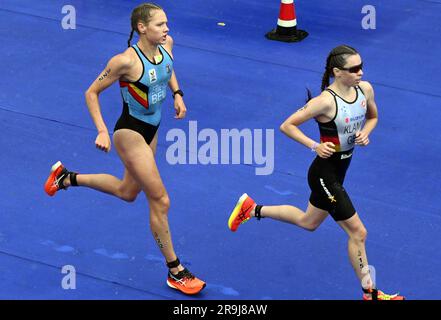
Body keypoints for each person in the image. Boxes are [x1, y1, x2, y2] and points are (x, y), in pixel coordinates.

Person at [44, 3, 205, 295]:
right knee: (160, 199)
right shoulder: (124, 62)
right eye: (159, 25)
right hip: (129, 132)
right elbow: (91, 92)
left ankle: (65, 177)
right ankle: (175, 270)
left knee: (127, 191)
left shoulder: (166, 44)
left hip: (153, 129)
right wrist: (102, 130)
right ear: (142, 28)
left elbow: (167, 66)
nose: (166, 29)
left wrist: (178, 94)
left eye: (166, 23)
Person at [228, 45, 404, 300]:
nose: (360, 72)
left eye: (361, 66)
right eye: (354, 69)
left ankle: (252, 209)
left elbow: (373, 117)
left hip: (341, 169)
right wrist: (314, 145)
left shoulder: (365, 89)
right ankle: (371, 293)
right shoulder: (323, 102)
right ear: (337, 72)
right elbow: (286, 125)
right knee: (358, 232)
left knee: (307, 222)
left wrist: (366, 132)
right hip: (324, 174)